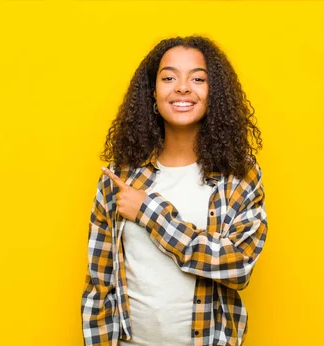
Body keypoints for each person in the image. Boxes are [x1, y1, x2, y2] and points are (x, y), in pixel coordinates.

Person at [81, 35, 268, 346]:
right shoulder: (120, 175)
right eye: (169, 77)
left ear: (214, 93)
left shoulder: (239, 174)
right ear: (153, 94)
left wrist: (150, 213)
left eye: (197, 78)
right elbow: (99, 283)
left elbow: (238, 265)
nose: (182, 87)